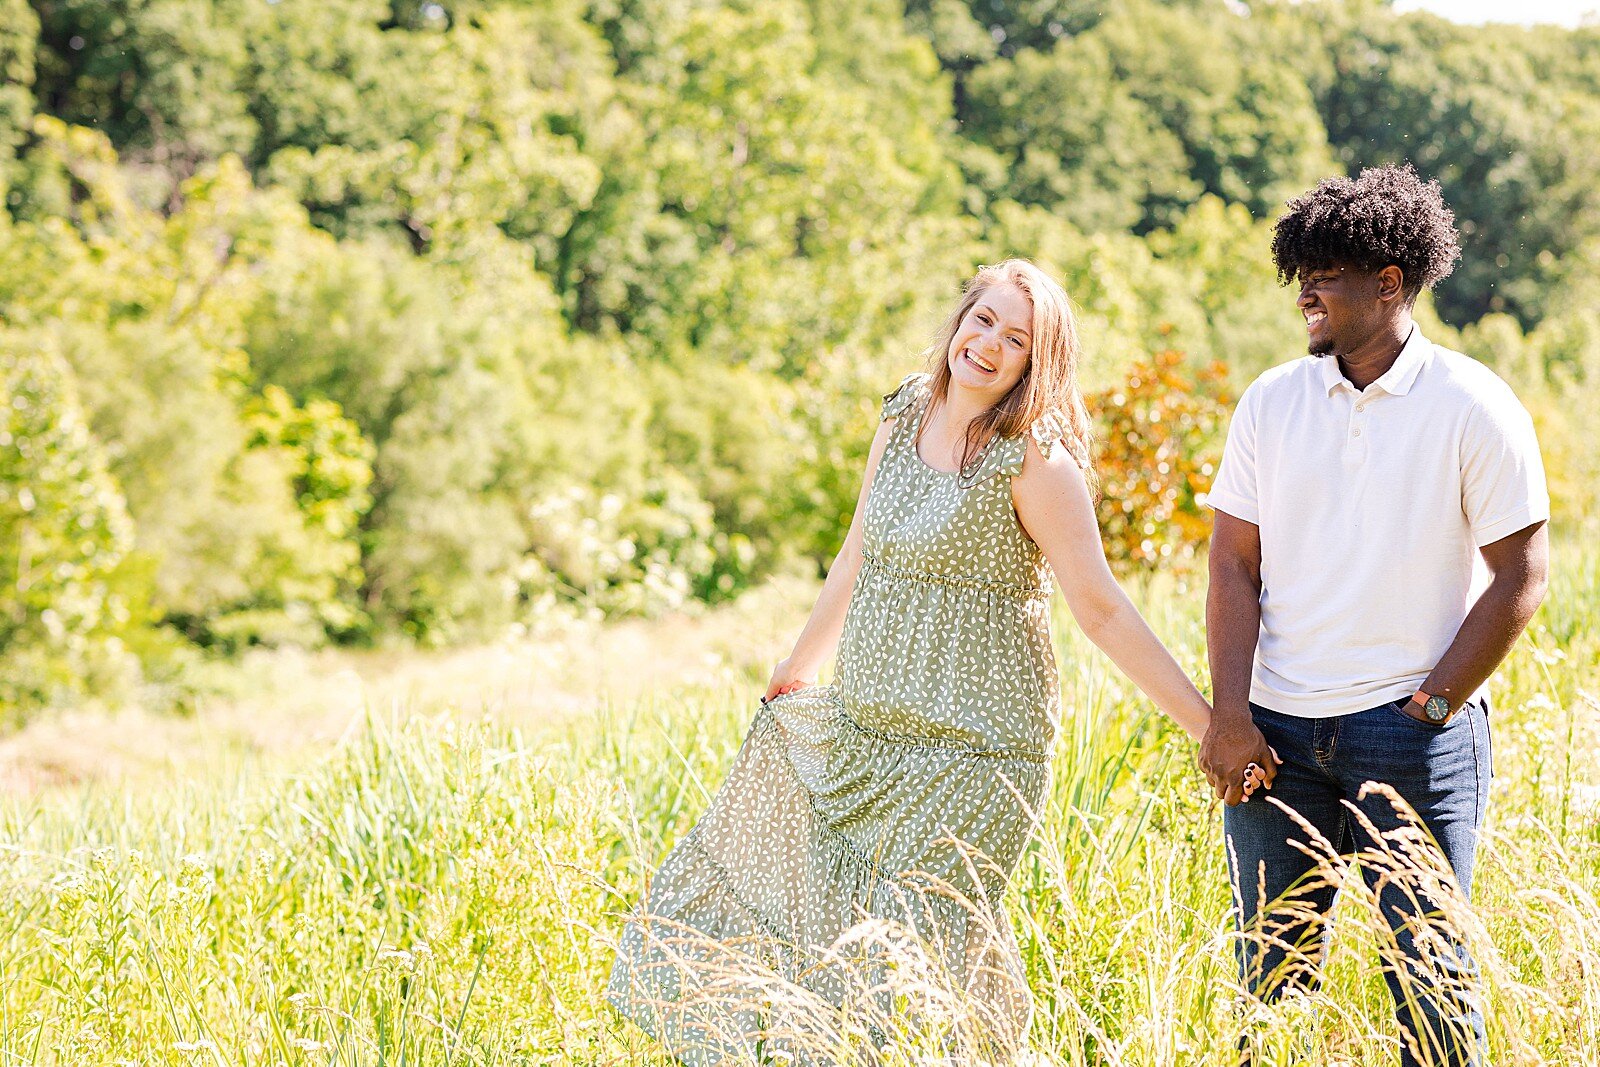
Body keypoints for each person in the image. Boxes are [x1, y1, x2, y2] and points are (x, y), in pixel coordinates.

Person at [607, 259, 1225, 1064]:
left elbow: (1101, 607)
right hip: (872, 733)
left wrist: (1210, 727)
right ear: (958, 320)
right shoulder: (904, 415)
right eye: (983, 320)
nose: (990, 345)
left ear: (1037, 364)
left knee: (896, 960)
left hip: (975, 753)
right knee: (887, 953)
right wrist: (799, 664)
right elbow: (857, 550)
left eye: (1017, 339)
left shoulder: (1034, 462)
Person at [1200, 164, 1550, 1067]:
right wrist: (1229, 715)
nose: (1305, 292)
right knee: (1270, 999)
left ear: (1391, 281)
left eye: (1325, 273)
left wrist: (1432, 709)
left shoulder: (1475, 405)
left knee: (1434, 998)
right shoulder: (1271, 401)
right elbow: (1234, 564)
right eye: (1300, 273)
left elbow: (1521, 575)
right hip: (1273, 741)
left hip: (1412, 733)